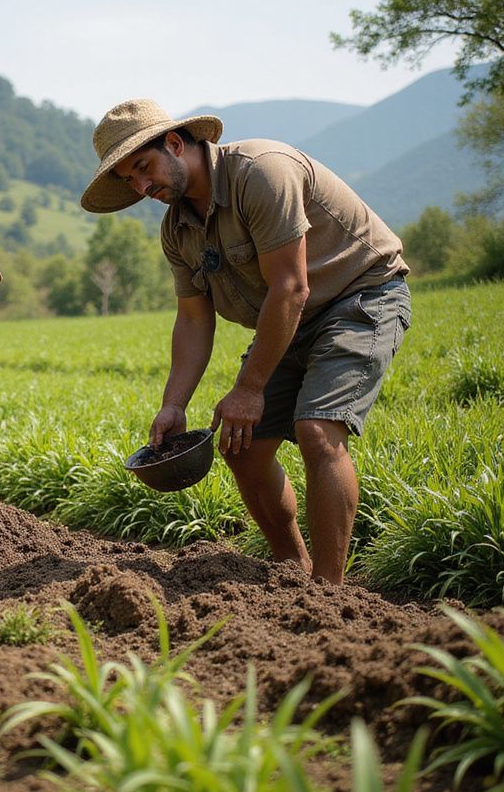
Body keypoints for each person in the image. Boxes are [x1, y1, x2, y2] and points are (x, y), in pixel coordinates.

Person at [81, 99, 411, 584]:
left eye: (143, 168)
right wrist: (174, 405)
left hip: (359, 298)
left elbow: (292, 287)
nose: (141, 186)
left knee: (317, 431)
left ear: (176, 143)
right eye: (130, 179)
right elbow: (193, 320)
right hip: (285, 321)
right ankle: (289, 569)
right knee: (241, 447)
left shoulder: (262, 172)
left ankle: (331, 591)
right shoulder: (177, 228)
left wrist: (250, 388)